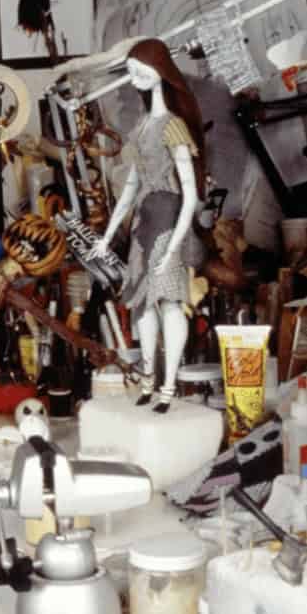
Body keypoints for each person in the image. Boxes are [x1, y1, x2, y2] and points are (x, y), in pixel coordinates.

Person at [88, 38, 206, 414]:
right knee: (142, 306)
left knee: (169, 302)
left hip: (168, 219)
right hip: (143, 222)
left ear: (160, 71)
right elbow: (130, 188)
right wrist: (108, 236)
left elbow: (190, 194)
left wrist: (174, 247)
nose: (135, 76)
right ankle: (148, 379)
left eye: (141, 69)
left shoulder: (173, 126)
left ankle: (168, 386)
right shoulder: (140, 128)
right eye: (131, 70)